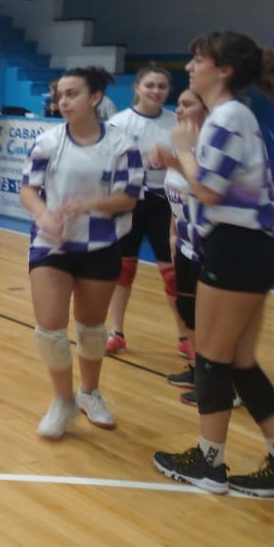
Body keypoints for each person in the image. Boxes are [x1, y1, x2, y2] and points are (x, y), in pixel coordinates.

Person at [152, 31, 274, 499]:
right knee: (242, 363)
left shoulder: (229, 116)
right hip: (248, 249)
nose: (190, 67)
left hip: (236, 249)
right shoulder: (231, 117)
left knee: (212, 359)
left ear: (224, 69)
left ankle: (208, 463)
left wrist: (181, 150)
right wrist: (180, 158)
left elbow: (209, 191)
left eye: (198, 59)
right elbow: (212, 185)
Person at [19, 66, 143, 439]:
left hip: (100, 245)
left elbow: (128, 198)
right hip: (51, 245)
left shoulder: (122, 145)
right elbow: (28, 189)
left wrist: (87, 205)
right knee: (50, 331)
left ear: (95, 97)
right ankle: (62, 400)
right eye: (60, 95)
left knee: (90, 330)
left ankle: (90, 393)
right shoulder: (47, 142)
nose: (63, 101)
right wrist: (44, 216)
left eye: (72, 94)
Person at [105, 63, 180, 357]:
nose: (156, 91)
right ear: (137, 87)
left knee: (173, 273)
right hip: (129, 201)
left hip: (165, 202)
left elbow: (188, 163)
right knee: (123, 269)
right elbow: (106, 162)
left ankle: (185, 336)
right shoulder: (119, 123)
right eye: (150, 85)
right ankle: (116, 332)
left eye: (162, 86)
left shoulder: (176, 123)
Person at [158, 89, 208, 406]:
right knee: (188, 312)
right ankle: (200, 370)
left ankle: (222, 385)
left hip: (210, 249)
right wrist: (173, 235)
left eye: (187, 104)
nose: (178, 110)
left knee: (210, 320)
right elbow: (176, 201)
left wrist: (180, 156)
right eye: (177, 104)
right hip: (186, 244)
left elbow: (206, 191)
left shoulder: (212, 148)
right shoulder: (183, 147)